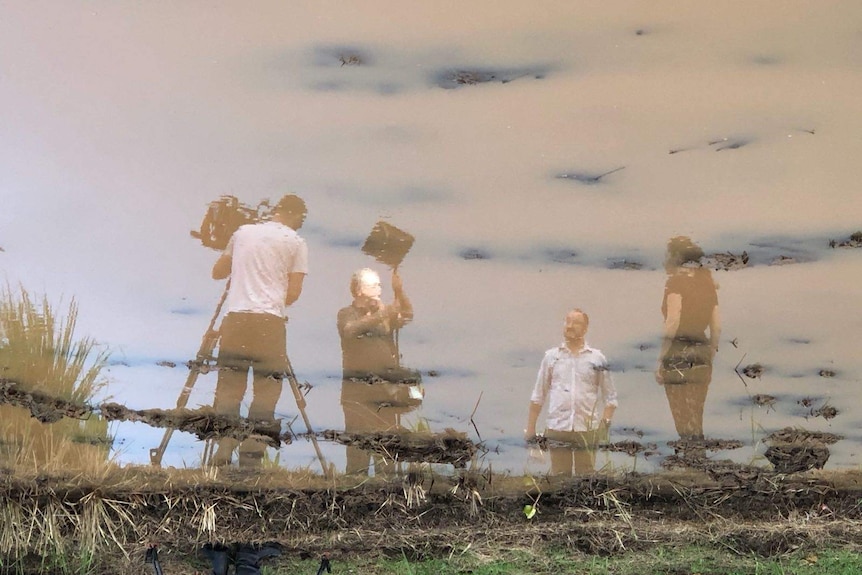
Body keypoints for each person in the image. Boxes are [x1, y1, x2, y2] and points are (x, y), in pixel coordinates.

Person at [209, 194, 308, 467]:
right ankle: (251, 458)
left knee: (229, 388)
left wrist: (244, 266)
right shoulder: (296, 243)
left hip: (236, 320)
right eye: (302, 217)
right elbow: (294, 294)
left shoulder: (242, 233)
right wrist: (272, 288)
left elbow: (217, 272)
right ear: (292, 213)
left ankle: (224, 449)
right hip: (269, 324)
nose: (301, 223)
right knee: (266, 390)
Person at [337, 267, 421, 475]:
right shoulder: (347, 313)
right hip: (357, 392)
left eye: (380, 285)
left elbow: (407, 314)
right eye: (373, 285)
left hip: (385, 390)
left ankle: (389, 492)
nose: (379, 289)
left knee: (386, 450)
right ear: (358, 290)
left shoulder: (384, 316)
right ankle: (356, 494)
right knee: (358, 449)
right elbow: (350, 330)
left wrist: (399, 291)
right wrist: (382, 313)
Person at [525, 308, 618, 476]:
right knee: (560, 479)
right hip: (558, 429)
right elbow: (538, 396)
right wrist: (530, 430)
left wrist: (603, 428)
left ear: (585, 328)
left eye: (576, 323)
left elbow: (610, 398)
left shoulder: (597, 358)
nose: (570, 326)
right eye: (567, 321)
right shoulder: (551, 357)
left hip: (587, 431)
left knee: (586, 479)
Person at [655, 236, 721, 447]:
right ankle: (697, 461)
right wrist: (711, 351)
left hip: (677, 354)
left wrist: (661, 358)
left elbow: (673, 321)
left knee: (682, 418)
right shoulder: (707, 282)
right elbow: (717, 325)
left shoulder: (675, 283)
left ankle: (688, 465)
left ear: (675, 257)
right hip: (701, 350)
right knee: (696, 416)